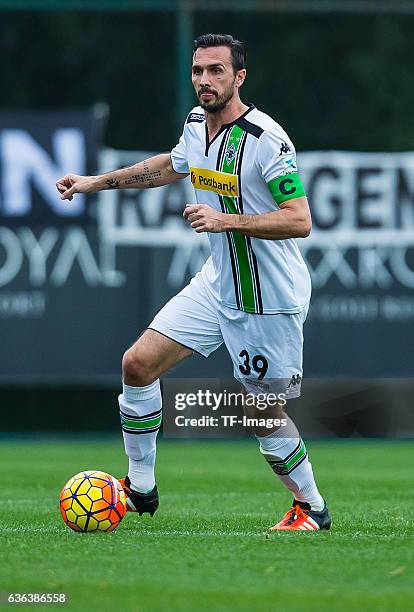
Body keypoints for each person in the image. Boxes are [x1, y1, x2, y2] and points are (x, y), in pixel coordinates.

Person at [56, 33, 330, 531]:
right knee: (137, 365)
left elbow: (299, 220)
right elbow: (170, 165)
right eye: (198, 71)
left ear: (238, 77)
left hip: (267, 298)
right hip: (216, 282)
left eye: (216, 71)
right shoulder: (194, 126)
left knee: (262, 416)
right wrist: (95, 182)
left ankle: (311, 507)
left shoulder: (268, 141)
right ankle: (140, 490)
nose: (204, 80)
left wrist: (225, 220)